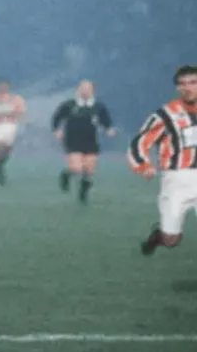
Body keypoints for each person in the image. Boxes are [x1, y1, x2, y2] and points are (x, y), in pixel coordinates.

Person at [128, 65, 197, 256]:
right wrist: (143, 165)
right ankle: (159, 236)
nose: (188, 87)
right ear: (177, 88)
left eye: (193, 82)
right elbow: (139, 141)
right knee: (171, 239)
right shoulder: (165, 115)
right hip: (176, 180)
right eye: (182, 84)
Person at [51, 80, 115, 204]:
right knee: (76, 168)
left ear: (92, 91)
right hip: (73, 140)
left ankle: (83, 193)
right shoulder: (69, 105)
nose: (85, 91)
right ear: (78, 90)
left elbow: (106, 120)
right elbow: (56, 118)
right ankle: (66, 175)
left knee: (89, 170)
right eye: (83, 89)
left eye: (88, 89)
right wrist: (56, 130)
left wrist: (109, 129)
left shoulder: (98, 106)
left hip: (91, 141)